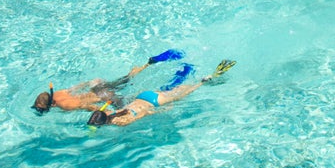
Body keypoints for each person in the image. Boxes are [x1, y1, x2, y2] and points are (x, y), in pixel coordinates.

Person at [87, 59, 236, 127]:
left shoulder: (119, 122)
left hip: (154, 102)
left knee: (185, 92)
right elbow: (104, 108)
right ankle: (185, 72)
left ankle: (205, 80)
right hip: (143, 95)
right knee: (174, 89)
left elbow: (142, 114)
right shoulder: (110, 113)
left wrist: (161, 110)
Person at [32, 49, 185, 114]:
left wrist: (105, 113)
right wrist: (89, 83)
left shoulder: (65, 105)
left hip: (105, 97)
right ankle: (149, 63)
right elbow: (77, 87)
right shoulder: (58, 93)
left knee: (132, 103)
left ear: (50, 105)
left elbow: (87, 105)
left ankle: (165, 96)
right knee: (127, 78)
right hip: (98, 88)